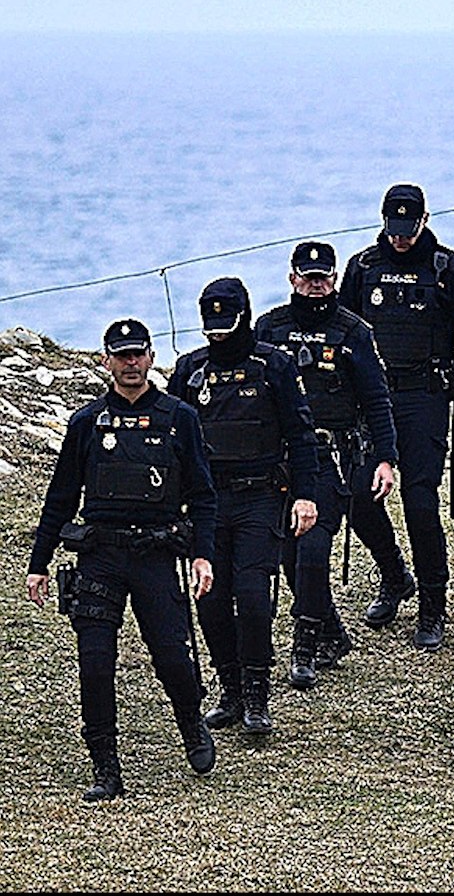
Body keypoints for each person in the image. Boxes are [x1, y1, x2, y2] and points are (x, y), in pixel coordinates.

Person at [24, 319, 219, 801]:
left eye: (138, 355)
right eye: (122, 355)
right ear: (106, 360)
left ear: (151, 358)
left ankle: (192, 725)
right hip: (100, 557)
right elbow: (61, 496)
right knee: (94, 664)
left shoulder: (180, 418)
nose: (131, 364)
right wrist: (39, 561)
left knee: (173, 656)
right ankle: (105, 767)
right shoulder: (86, 423)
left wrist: (202, 556)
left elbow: (203, 496)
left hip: (155, 556)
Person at [339, 182, 454, 651]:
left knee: (420, 503)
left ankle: (432, 604)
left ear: (424, 220)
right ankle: (394, 575)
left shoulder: (450, 270)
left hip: (424, 397)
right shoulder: (363, 268)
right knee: (358, 496)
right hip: (371, 400)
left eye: (408, 229)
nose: (401, 238)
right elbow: (341, 335)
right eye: (393, 229)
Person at [167, 278, 321, 738]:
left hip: (259, 496)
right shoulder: (190, 370)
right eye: (210, 326)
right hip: (208, 501)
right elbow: (172, 439)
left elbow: (300, 433)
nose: (217, 335)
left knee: (253, 598)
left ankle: (257, 693)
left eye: (225, 324)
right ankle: (230, 689)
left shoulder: (273, 365)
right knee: (211, 601)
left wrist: (306, 494)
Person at [255, 241, 400, 689]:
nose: (316, 287)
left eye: (324, 278)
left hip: (332, 456)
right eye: (308, 277)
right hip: (281, 460)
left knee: (314, 545)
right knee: (288, 553)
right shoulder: (269, 327)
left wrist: (385, 459)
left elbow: (377, 400)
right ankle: (333, 631)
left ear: (335, 279)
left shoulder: (354, 331)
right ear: (292, 278)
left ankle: (306, 642)